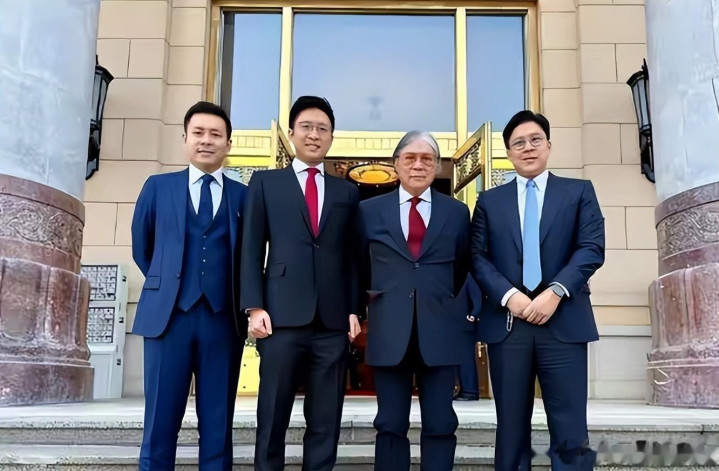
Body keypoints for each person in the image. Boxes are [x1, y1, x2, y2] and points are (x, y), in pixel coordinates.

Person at [470, 110, 605, 471]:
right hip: (509, 326)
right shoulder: (489, 201)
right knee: (511, 429)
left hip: (563, 323)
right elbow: (478, 257)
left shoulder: (578, 192)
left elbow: (591, 248)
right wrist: (509, 296)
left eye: (535, 140)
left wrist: (556, 291)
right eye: (518, 143)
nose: (528, 148)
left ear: (548, 145)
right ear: (508, 153)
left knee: (570, 428)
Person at [240, 96, 362, 471]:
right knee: (272, 415)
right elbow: (250, 248)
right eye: (306, 127)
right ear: (292, 133)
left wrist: (354, 309)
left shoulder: (346, 191)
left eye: (322, 129)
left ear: (331, 137)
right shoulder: (265, 183)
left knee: (326, 419)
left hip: (332, 321)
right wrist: (254, 306)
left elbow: (353, 256)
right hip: (280, 317)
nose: (314, 134)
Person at [131, 101, 247, 470]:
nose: (206, 140)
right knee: (160, 423)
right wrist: (169, 285)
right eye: (198, 133)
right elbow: (143, 248)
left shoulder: (243, 196)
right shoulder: (158, 187)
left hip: (222, 320)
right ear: (185, 139)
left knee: (218, 425)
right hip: (168, 320)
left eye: (215, 134)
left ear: (228, 143)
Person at [358, 131, 473, 471]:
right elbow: (358, 265)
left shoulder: (457, 212)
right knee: (390, 424)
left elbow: (462, 266)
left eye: (427, 159)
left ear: (437, 166)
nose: (418, 165)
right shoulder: (368, 210)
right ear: (396, 164)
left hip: (441, 329)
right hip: (389, 329)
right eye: (410, 158)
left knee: (440, 423)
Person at [454, 276, 483, 401]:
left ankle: (470, 391)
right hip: (455, 327)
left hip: (466, 326)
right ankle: (464, 389)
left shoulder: (467, 277)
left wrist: (473, 314)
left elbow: (477, 296)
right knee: (458, 359)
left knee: (466, 360)